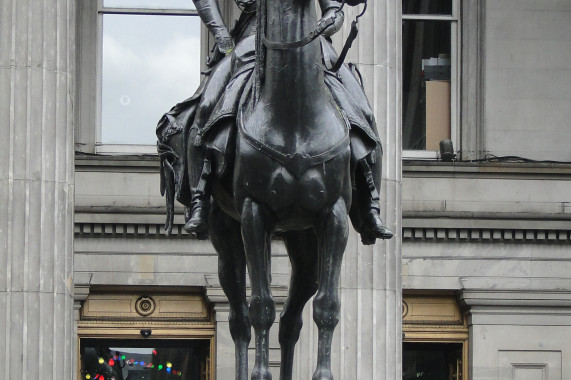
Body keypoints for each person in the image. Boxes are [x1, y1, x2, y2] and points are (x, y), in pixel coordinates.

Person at [157, 0, 393, 244]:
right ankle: (200, 197)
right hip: (250, 41)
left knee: (364, 112)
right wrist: (221, 36)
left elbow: (334, 8)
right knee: (206, 107)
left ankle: (370, 207)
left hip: (314, 44)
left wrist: (332, 20)